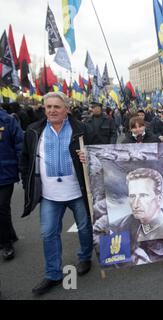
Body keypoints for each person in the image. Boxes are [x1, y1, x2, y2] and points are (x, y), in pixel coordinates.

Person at [20, 92, 94, 295]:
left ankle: (85, 257)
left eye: (57, 107)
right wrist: (28, 185)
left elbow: (98, 153)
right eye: (48, 107)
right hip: (49, 195)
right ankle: (53, 273)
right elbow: (25, 159)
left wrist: (89, 156)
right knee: (48, 233)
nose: (52, 110)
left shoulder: (82, 129)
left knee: (85, 227)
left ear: (67, 109)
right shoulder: (34, 130)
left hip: (77, 191)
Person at [110, 168, 163, 264]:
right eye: (132, 196)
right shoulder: (118, 227)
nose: (135, 204)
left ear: (159, 199)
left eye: (143, 196)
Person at [0, 104, 23, 261]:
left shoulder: (8, 121)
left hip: (5, 172)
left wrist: (23, 169)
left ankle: (6, 243)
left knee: (1, 207)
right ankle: (10, 235)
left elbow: (20, 145)